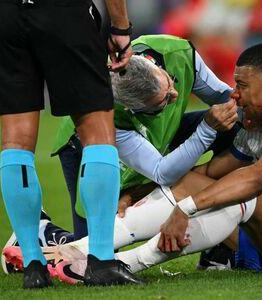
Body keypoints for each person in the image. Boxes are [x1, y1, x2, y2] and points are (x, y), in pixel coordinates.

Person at [4, 42, 262, 282]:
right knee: (196, 181)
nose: (233, 94)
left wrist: (187, 208)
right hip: (260, 236)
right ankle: (82, 253)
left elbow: (258, 176)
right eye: (235, 84)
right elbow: (203, 172)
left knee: (244, 193)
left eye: (241, 85)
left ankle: (119, 261)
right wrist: (137, 195)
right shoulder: (258, 123)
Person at [0, 0, 147, 288]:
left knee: (15, 140)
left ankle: (33, 265)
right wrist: (120, 26)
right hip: (64, 11)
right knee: (97, 131)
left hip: (5, 15)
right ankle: (100, 261)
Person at [49, 34, 239, 240]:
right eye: (163, 101)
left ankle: (220, 241)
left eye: (169, 82)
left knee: (232, 125)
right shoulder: (107, 115)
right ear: (133, 109)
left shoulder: (177, 52)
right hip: (88, 146)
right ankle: (47, 234)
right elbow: (162, 172)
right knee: (93, 247)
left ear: (154, 66)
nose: (175, 95)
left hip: (159, 133)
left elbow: (222, 96)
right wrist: (206, 130)